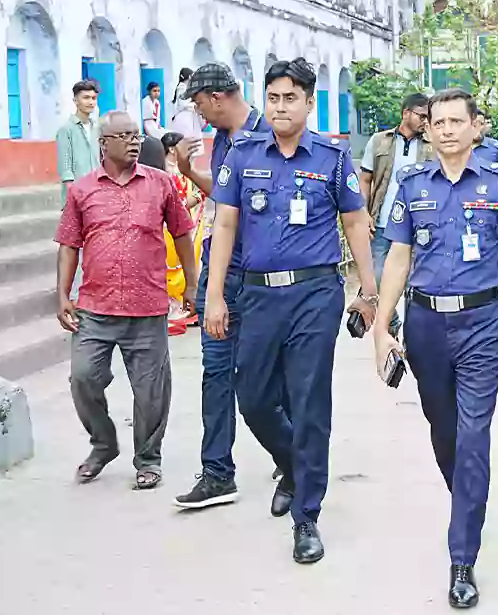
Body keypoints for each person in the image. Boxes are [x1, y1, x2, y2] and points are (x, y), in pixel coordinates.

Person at [205, 58, 378, 564]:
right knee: (252, 395)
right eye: (274, 98)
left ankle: (307, 516)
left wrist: (368, 293)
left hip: (314, 294)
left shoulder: (332, 157)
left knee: (308, 402)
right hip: (257, 293)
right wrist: (215, 294)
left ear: (308, 102)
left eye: (291, 99)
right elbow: (225, 229)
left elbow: (355, 224)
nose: (281, 108)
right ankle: (292, 463)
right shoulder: (242, 154)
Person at [373, 88, 498, 609]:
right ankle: (470, 496)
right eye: (435, 122)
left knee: (472, 437)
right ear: (427, 130)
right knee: (444, 433)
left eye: (454, 121)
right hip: (424, 325)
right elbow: (398, 257)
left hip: (483, 324)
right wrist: (382, 325)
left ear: (475, 128)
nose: (444, 129)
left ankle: (461, 557)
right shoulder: (411, 184)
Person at [55, 111, 198, 491]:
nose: (135, 142)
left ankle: (148, 458)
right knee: (83, 378)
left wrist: (192, 283)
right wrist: (62, 295)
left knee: (151, 390)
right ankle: (103, 445)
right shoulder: (82, 190)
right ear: (104, 144)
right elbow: (70, 244)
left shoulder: (161, 184)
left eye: (137, 135)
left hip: (147, 306)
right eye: (125, 136)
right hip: (95, 307)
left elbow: (183, 233)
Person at [171, 63, 276, 512]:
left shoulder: (270, 135)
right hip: (224, 273)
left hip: (262, 278)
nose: (198, 114)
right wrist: (189, 172)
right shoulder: (223, 142)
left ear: (217, 97)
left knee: (268, 378)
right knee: (215, 373)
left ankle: (289, 455)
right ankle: (217, 472)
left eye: (198, 105)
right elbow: (224, 199)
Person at [359, 92, 433, 338]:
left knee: (413, 285)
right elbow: (366, 179)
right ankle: (391, 323)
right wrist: (363, 212)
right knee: (378, 279)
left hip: (416, 228)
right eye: (421, 115)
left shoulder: (431, 146)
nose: (425, 120)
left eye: (428, 117)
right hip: (381, 223)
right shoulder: (380, 141)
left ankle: (415, 336)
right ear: (406, 113)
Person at [160, 132, 204, 334]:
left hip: (191, 223)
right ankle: (174, 309)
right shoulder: (165, 173)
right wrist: (192, 200)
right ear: (171, 149)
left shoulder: (186, 169)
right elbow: (176, 203)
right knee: (173, 266)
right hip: (173, 227)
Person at [56, 79, 102, 202]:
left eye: (93, 98)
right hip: (77, 191)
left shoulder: (97, 128)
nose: (91, 102)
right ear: (76, 100)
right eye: (86, 98)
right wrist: (71, 190)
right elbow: (65, 164)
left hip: (97, 189)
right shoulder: (66, 129)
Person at [169, 68, 203, 138]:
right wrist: (194, 104)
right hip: (185, 116)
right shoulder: (182, 87)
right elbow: (182, 104)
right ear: (189, 76)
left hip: (189, 115)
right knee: (187, 135)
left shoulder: (186, 87)